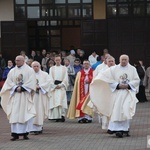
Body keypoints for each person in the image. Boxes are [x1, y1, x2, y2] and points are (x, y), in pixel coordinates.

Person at [90, 54, 140, 138]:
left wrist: (128, 85)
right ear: (119, 60)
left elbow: (136, 80)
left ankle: (125, 129)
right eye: (122, 59)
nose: (123, 61)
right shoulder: (114, 69)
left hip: (127, 93)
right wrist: (117, 85)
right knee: (116, 110)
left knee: (126, 109)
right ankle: (117, 129)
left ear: (128, 60)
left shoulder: (132, 69)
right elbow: (104, 76)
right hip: (117, 93)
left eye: (125, 59)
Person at [0, 55, 36, 141]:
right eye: (16, 60)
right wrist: (15, 88)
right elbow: (8, 82)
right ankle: (15, 134)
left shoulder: (29, 70)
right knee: (14, 114)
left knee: (24, 113)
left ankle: (24, 133)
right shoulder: (12, 71)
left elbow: (32, 81)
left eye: (19, 60)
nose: (17, 62)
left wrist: (23, 88)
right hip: (15, 96)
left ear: (23, 61)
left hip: (24, 96)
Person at [31, 61, 50, 134]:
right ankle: (31, 128)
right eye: (34, 66)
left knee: (40, 110)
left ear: (40, 67)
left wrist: (40, 86)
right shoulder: (29, 74)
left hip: (41, 96)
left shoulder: (45, 74)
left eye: (37, 66)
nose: (36, 68)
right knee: (32, 111)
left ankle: (39, 128)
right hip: (32, 96)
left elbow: (49, 83)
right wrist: (33, 86)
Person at [48, 55, 68, 122]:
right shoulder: (52, 68)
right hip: (54, 87)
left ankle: (61, 116)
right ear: (54, 60)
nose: (57, 61)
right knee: (54, 101)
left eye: (59, 60)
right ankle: (55, 116)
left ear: (61, 60)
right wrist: (54, 85)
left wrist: (61, 85)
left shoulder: (64, 68)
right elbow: (50, 78)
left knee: (61, 101)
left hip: (61, 87)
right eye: (56, 60)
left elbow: (66, 78)